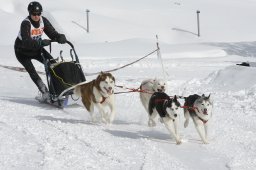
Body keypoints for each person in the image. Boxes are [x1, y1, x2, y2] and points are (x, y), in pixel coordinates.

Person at [14, 1, 67, 101]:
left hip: (36, 49)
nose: (36, 16)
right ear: (30, 13)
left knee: (53, 65)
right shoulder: (26, 23)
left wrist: (59, 37)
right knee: (32, 71)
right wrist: (40, 43)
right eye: (34, 14)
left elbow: (52, 33)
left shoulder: (43, 21)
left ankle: (60, 89)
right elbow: (26, 42)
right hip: (22, 51)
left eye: (39, 14)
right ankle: (44, 92)